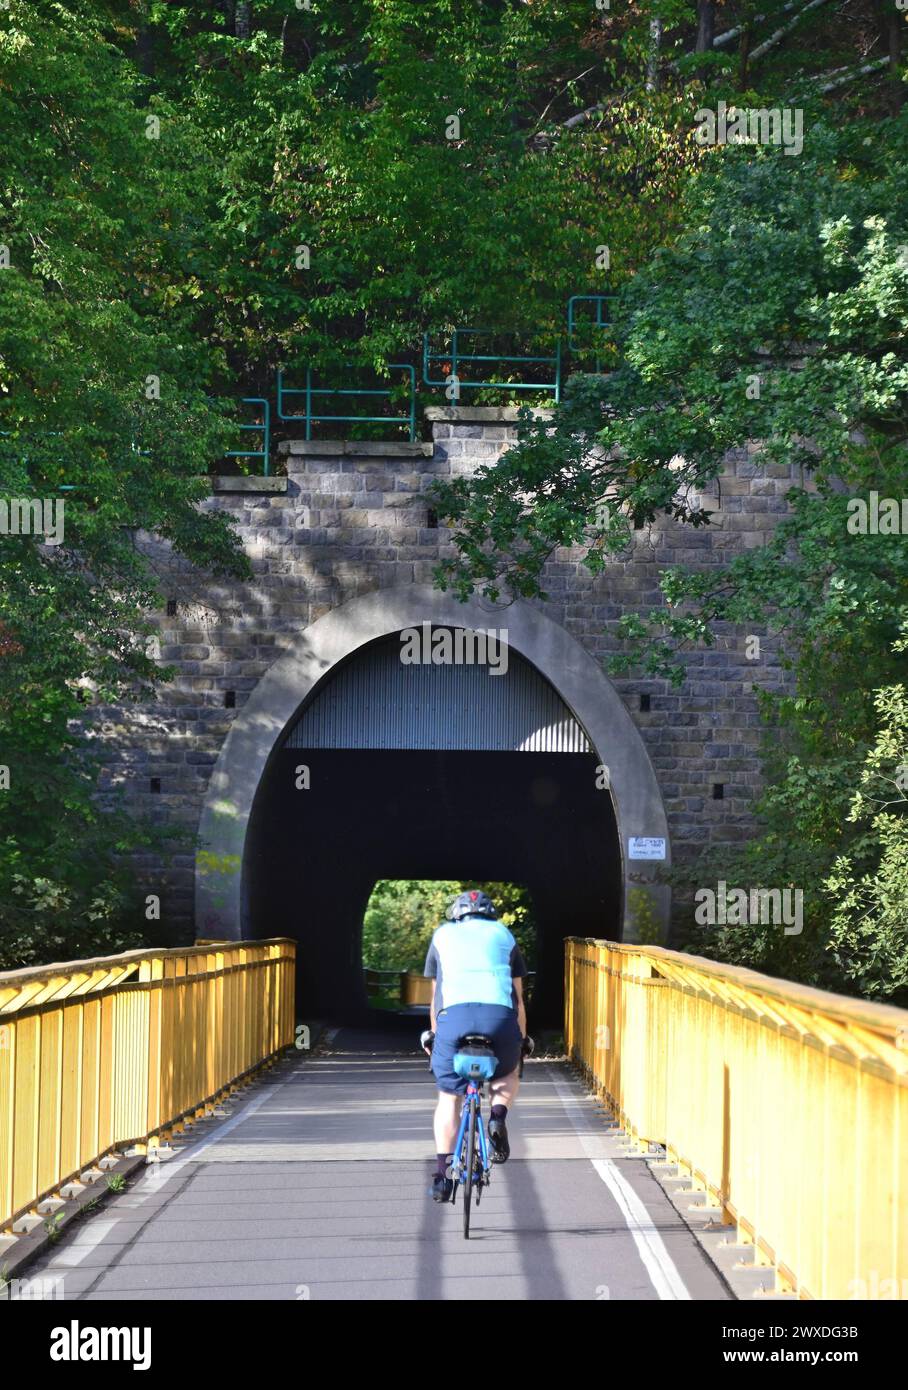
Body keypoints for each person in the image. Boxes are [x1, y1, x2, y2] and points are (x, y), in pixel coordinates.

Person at [420, 889, 531, 1202]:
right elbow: (518, 999)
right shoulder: (504, 935)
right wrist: (520, 1041)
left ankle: (442, 1176)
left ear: (457, 915)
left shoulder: (442, 936)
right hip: (499, 1017)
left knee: (448, 1097)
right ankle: (496, 1117)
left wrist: (435, 1036)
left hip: (453, 1019)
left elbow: (436, 998)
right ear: (490, 914)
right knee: (507, 1072)